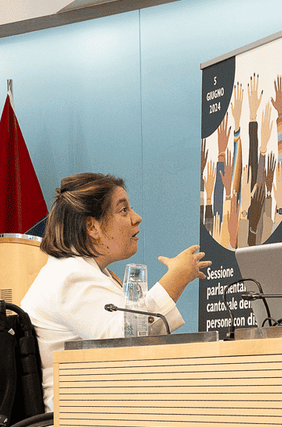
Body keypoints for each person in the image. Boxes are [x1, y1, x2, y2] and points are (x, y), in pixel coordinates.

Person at [21, 173, 209, 410]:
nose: (136, 218)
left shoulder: (88, 273)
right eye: (123, 211)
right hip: (72, 425)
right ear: (92, 226)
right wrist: (175, 280)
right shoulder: (69, 277)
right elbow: (125, 342)